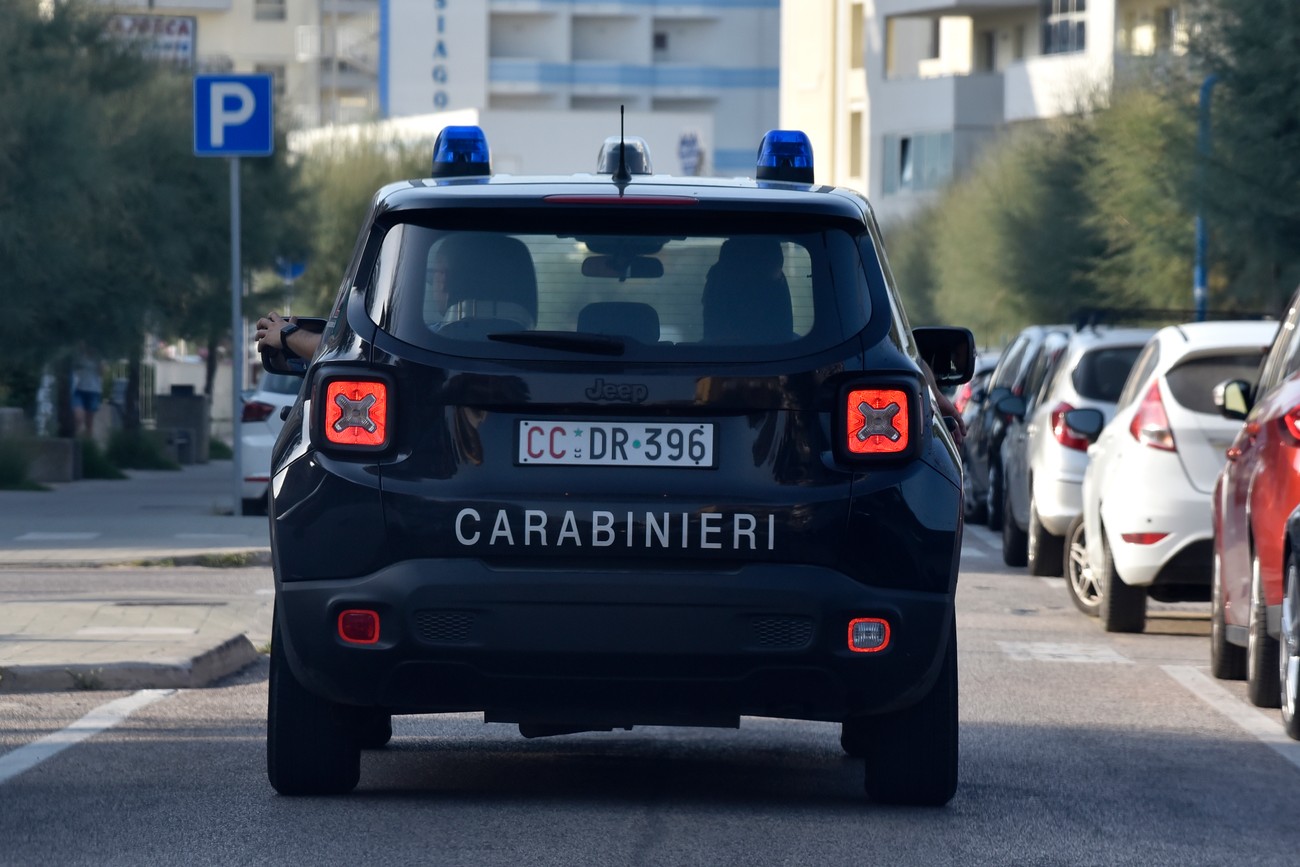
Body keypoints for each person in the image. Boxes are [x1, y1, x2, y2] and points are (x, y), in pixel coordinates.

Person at [70, 346, 104, 439]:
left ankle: (87, 445)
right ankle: (75, 438)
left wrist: (98, 362)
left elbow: (102, 372)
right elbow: (74, 369)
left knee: (89, 423)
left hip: (93, 390)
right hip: (80, 389)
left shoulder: (98, 357)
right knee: (78, 417)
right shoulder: (80, 356)